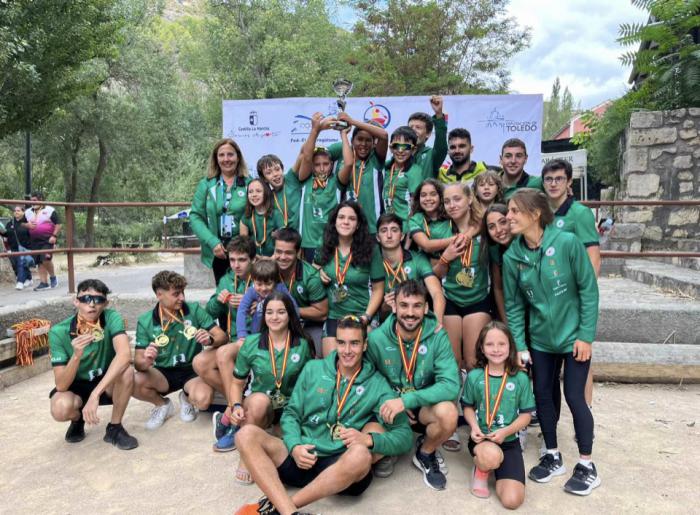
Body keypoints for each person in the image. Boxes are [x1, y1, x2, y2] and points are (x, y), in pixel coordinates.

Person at [234, 316, 413, 515]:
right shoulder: (313, 369)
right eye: (341, 343)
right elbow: (291, 413)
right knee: (246, 434)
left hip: (339, 465)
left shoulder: (377, 384)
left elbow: (404, 435)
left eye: (354, 343)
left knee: (361, 454)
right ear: (335, 343)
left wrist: (368, 440)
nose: (347, 351)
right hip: (302, 454)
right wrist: (294, 446)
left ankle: (282, 508)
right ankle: (289, 512)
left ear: (364, 346)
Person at [502, 189, 600, 496]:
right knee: (543, 395)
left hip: (573, 339)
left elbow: (588, 290)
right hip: (541, 340)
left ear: (535, 214)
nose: (509, 217)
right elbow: (515, 306)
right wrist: (519, 344)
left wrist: (585, 335)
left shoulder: (567, 242)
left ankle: (586, 464)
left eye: (515, 211)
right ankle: (552, 455)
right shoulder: (511, 256)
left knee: (573, 396)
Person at [366, 280, 460, 491]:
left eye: (417, 305)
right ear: (394, 306)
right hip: (390, 405)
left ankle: (425, 452)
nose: (410, 312)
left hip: (424, 407)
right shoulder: (377, 338)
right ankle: (392, 445)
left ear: (426, 308)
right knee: (366, 456)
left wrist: (407, 400)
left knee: (448, 413)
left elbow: (452, 385)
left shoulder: (437, 335)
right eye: (404, 305)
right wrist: (391, 399)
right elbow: (367, 380)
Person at [221, 292, 315, 480]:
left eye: (281, 312)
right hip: (262, 406)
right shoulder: (252, 344)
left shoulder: (303, 344)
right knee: (258, 402)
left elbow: (309, 384)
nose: (274, 317)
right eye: (269, 312)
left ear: (290, 315)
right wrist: (236, 406)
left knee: (286, 447)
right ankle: (246, 457)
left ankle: (275, 432)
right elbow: (237, 383)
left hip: (290, 408)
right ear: (263, 316)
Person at [48, 279, 138, 450]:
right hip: (76, 385)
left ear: (106, 303)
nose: (92, 305)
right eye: (86, 299)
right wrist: (76, 356)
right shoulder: (58, 331)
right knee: (60, 409)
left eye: (98, 300)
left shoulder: (112, 317)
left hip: (105, 382)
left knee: (127, 371)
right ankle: (77, 419)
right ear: (76, 301)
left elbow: (125, 355)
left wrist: (95, 395)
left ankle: (115, 428)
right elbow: (61, 385)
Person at [133, 271, 227, 430]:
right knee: (133, 380)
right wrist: (146, 360)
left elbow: (222, 336)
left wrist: (210, 339)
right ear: (159, 294)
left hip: (192, 371)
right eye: (176, 294)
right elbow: (138, 363)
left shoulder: (194, 310)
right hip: (162, 372)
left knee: (203, 401)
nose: (182, 298)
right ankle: (162, 405)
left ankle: (186, 397)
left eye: (182, 292)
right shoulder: (145, 321)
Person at [542, 159, 601, 410]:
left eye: (559, 179)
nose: (553, 184)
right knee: (551, 362)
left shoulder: (580, 213)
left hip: (574, 299)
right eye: (549, 179)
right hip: (549, 299)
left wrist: (584, 293)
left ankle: (583, 415)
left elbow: (593, 256)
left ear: (568, 183)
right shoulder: (541, 212)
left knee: (580, 355)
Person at [462, 321, 535, 508]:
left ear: (510, 346)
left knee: (512, 502)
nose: (496, 349)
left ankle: (494, 463)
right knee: (491, 455)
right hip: (483, 439)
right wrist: (474, 427)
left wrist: (505, 432)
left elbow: (526, 416)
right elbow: (468, 407)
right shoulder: (475, 376)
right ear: (481, 347)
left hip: (508, 441)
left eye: (502, 344)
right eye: (489, 344)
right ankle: (482, 468)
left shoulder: (520, 378)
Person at [200, 236, 256, 443]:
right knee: (200, 363)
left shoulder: (261, 278)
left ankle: (233, 416)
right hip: (234, 340)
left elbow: (276, 307)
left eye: (242, 260)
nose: (236, 265)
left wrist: (253, 303)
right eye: (232, 260)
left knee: (223, 353)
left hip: (254, 341)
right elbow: (210, 311)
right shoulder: (226, 279)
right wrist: (218, 300)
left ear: (252, 259)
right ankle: (237, 405)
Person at [433, 183, 492, 370]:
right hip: (451, 299)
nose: (452, 205)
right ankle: (454, 399)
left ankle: (474, 399)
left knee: (473, 362)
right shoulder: (441, 231)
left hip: (478, 299)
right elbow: (435, 275)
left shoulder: (485, 229)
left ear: (470, 199)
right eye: (447, 201)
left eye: (457, 199)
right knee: (453, 363)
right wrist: (445, 258)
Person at [313, 201, 384, 356]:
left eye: (351, 219)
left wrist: (367, 317)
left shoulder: (371, 249)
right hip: (334, 315)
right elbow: (314, 267)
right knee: (332, 366)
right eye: (341, 217)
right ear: (335, 221)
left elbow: (379, 289)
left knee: (364, 364)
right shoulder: (324, 243)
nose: (345, 222)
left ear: (358, 225)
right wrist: (319, 272)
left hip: (362, 314)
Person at [190, 138, 251, 285]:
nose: (226, 159)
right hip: (219, 251)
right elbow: (195, 216)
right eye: (221, 155)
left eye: (230, 154)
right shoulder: (206, 184)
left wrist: (247, 245)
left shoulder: (249, 184)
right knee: (224, 291)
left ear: (238, 157)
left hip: (243, 250)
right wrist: (212, 242)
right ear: (216, 159)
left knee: (245, 291)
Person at [287, 113, 342, 263]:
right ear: (312, 166)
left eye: (326, 164)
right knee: (312, 282)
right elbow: (306, 155)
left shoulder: (336, 181)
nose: (322, 168)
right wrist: (316, 130)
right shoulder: (305, 180)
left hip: (332, 242)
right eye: (317, 165)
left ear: (332, 164)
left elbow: (346, 150)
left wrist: (342, 129)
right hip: (309, 243)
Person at [375, 213, 445, 325]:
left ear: (402, 236)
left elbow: (437, 293)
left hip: (415, 320)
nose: (389, 235)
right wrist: (384, 307)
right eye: (384, 230)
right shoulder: (373, 264)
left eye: (394, 230)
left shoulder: (417, 259)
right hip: (385, 325)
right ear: (378, 237)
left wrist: (438, 323)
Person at [329, 111, 388, 235]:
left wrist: (352, 121)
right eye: (359, 139)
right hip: (346, 228)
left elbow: (384, 135)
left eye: (368, 141)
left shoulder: (376, 159)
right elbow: (314, 156)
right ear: (352, 140)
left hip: (373, 228)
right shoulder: (342, 156)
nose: (363, 144)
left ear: (373, 144)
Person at [273, 228, 328, 355]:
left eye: (288, 253)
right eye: (278, 252)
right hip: (276, 322)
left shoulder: (311, 277)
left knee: (314, 353)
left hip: (308, 324)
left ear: (298, 252)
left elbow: (322, 313)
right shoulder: (268, 270)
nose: (282, 257)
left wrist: (290, 311)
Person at [235, 259, 299, 341]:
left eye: (268, 284)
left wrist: (294, 329)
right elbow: (241, 310)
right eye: (259, 284)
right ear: (253, 280)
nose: (263, 288)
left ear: (275, 281)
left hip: (280, 334)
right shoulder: (252, 291)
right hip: (257, 335)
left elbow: (294, 308)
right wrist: (242, 334)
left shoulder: (280, 289)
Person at [381, 126, 424, 231]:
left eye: (406, 147)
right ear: (391, 148)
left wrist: (409, 234)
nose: (400, 151)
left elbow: (416, 205)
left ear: (413, 150)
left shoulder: (414, 171)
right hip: (386, 226)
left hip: (405, 228)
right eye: (396, 146)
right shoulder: (385, 168)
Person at [480, 204, 513, 322]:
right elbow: (498, 288)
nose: (499, 230)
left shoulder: (526, 243)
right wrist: (506, 321)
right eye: (491, 227)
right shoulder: (495, 251)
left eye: (503, 222)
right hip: (513, 312)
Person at [407, 179, 453, 261]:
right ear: (418, 198)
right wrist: (458, 239)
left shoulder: (451, 212)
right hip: (429, 265)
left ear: (441, 196)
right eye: (423, 195)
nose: (428, 198)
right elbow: (427, 246)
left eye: (433, 194)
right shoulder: (415, 219)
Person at [24, 191, 60, 291]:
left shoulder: (49, 210)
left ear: (41, 200)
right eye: (31, 201)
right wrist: (28, 225)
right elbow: (22, 224)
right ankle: (44, 283)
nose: (33, 202)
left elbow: (58, 224)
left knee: (45, 258)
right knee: (39, 261)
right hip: (34, 241)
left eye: (35, 200)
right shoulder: (28, 212)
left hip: (47, 239)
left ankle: (53, 277)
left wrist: (54, 236)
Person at [239, 178, 285, 257]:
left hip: (274, 259)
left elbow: (284, 241)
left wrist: (272, 259)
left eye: (258, 191)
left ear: (266, 193)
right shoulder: (246, 217)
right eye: (250, 192)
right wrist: (255, 257)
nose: (254, 194)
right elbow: (244, 245)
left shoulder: (276, 214)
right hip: (254, 258)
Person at [407, 96, 448, 181]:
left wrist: (439, 115)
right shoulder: (399, 153)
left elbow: (441, 147)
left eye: (418, 127)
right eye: (411, 127)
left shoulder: (431, 155)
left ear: (428, 134)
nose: (413, 130)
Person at [0, 205, 34, 289]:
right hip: (14, 248)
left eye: (18, 210)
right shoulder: (10, 223)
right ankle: (29, 279)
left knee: (21, 262)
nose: (16, 212)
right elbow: (6, 234)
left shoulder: (28, 222)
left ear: (23, 212)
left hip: (26, 247)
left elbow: (32, 234)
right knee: (20, 264)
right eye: (15, 211)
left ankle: (20, 281)